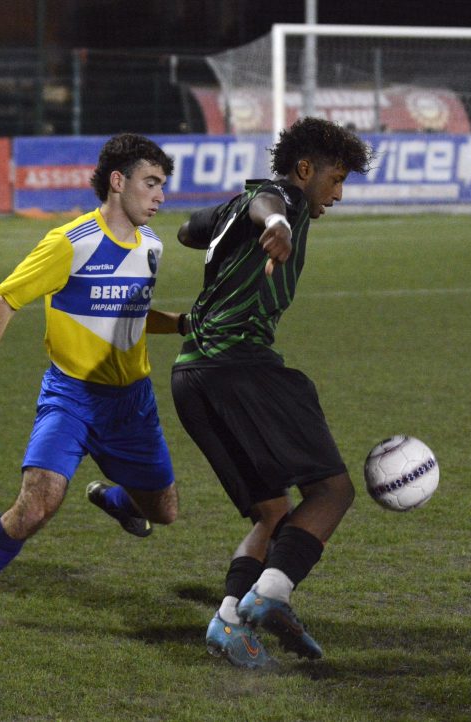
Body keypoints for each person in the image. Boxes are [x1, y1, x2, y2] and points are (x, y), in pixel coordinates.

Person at [0, 133, 185, 627]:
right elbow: (6, 300)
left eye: (163, 184)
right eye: (152, 182)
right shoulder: (70, 242)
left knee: (164, 512)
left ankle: (115, 498)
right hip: (71, 397)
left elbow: (131, 313)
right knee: (37, 504)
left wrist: (179, 323)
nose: (161, 195)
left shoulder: (153, 246)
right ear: (118, 182)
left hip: (133, 403)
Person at [170, 117, 372, 668]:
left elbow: (189, 230)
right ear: (305, 169)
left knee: (272, 514)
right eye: (335, 179)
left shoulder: (237, 207)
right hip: (240, 367)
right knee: (332, 493)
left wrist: (228, 226)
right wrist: (279, 220)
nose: (338, 193)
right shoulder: (282, 198)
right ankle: (272, 595)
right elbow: (270, 202)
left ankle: (229, 622)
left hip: (192, 376)